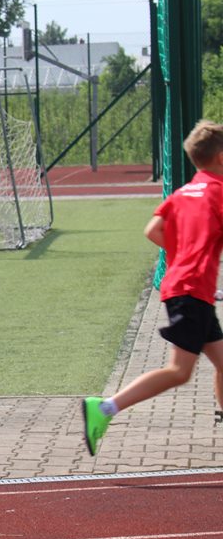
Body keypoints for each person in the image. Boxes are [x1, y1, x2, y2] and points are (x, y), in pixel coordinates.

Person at [82, 119, 223, 455]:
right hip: (191, 291)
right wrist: (195, 261)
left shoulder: (183, 193)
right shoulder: (218, 192)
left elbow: (152, 230)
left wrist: (184, 257)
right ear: (220, 158)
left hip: (186, 287)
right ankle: (104, 408)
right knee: (179, 371)